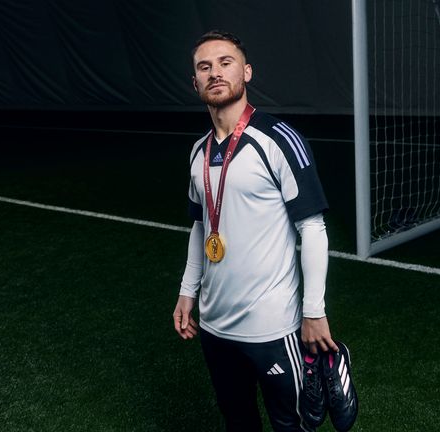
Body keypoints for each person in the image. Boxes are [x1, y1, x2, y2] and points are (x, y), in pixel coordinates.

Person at [172, 30, 337, 432]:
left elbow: (312, 227)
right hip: (214, 325)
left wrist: (314, 311)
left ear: (246, 72)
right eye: (204, 67)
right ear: (195, 83)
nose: (215, 73)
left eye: (225, 63)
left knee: (292, 423)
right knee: (238, 420)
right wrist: (187, 291)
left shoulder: (279, 139)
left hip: (271, 324)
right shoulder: (198, 151)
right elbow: (200, 226)